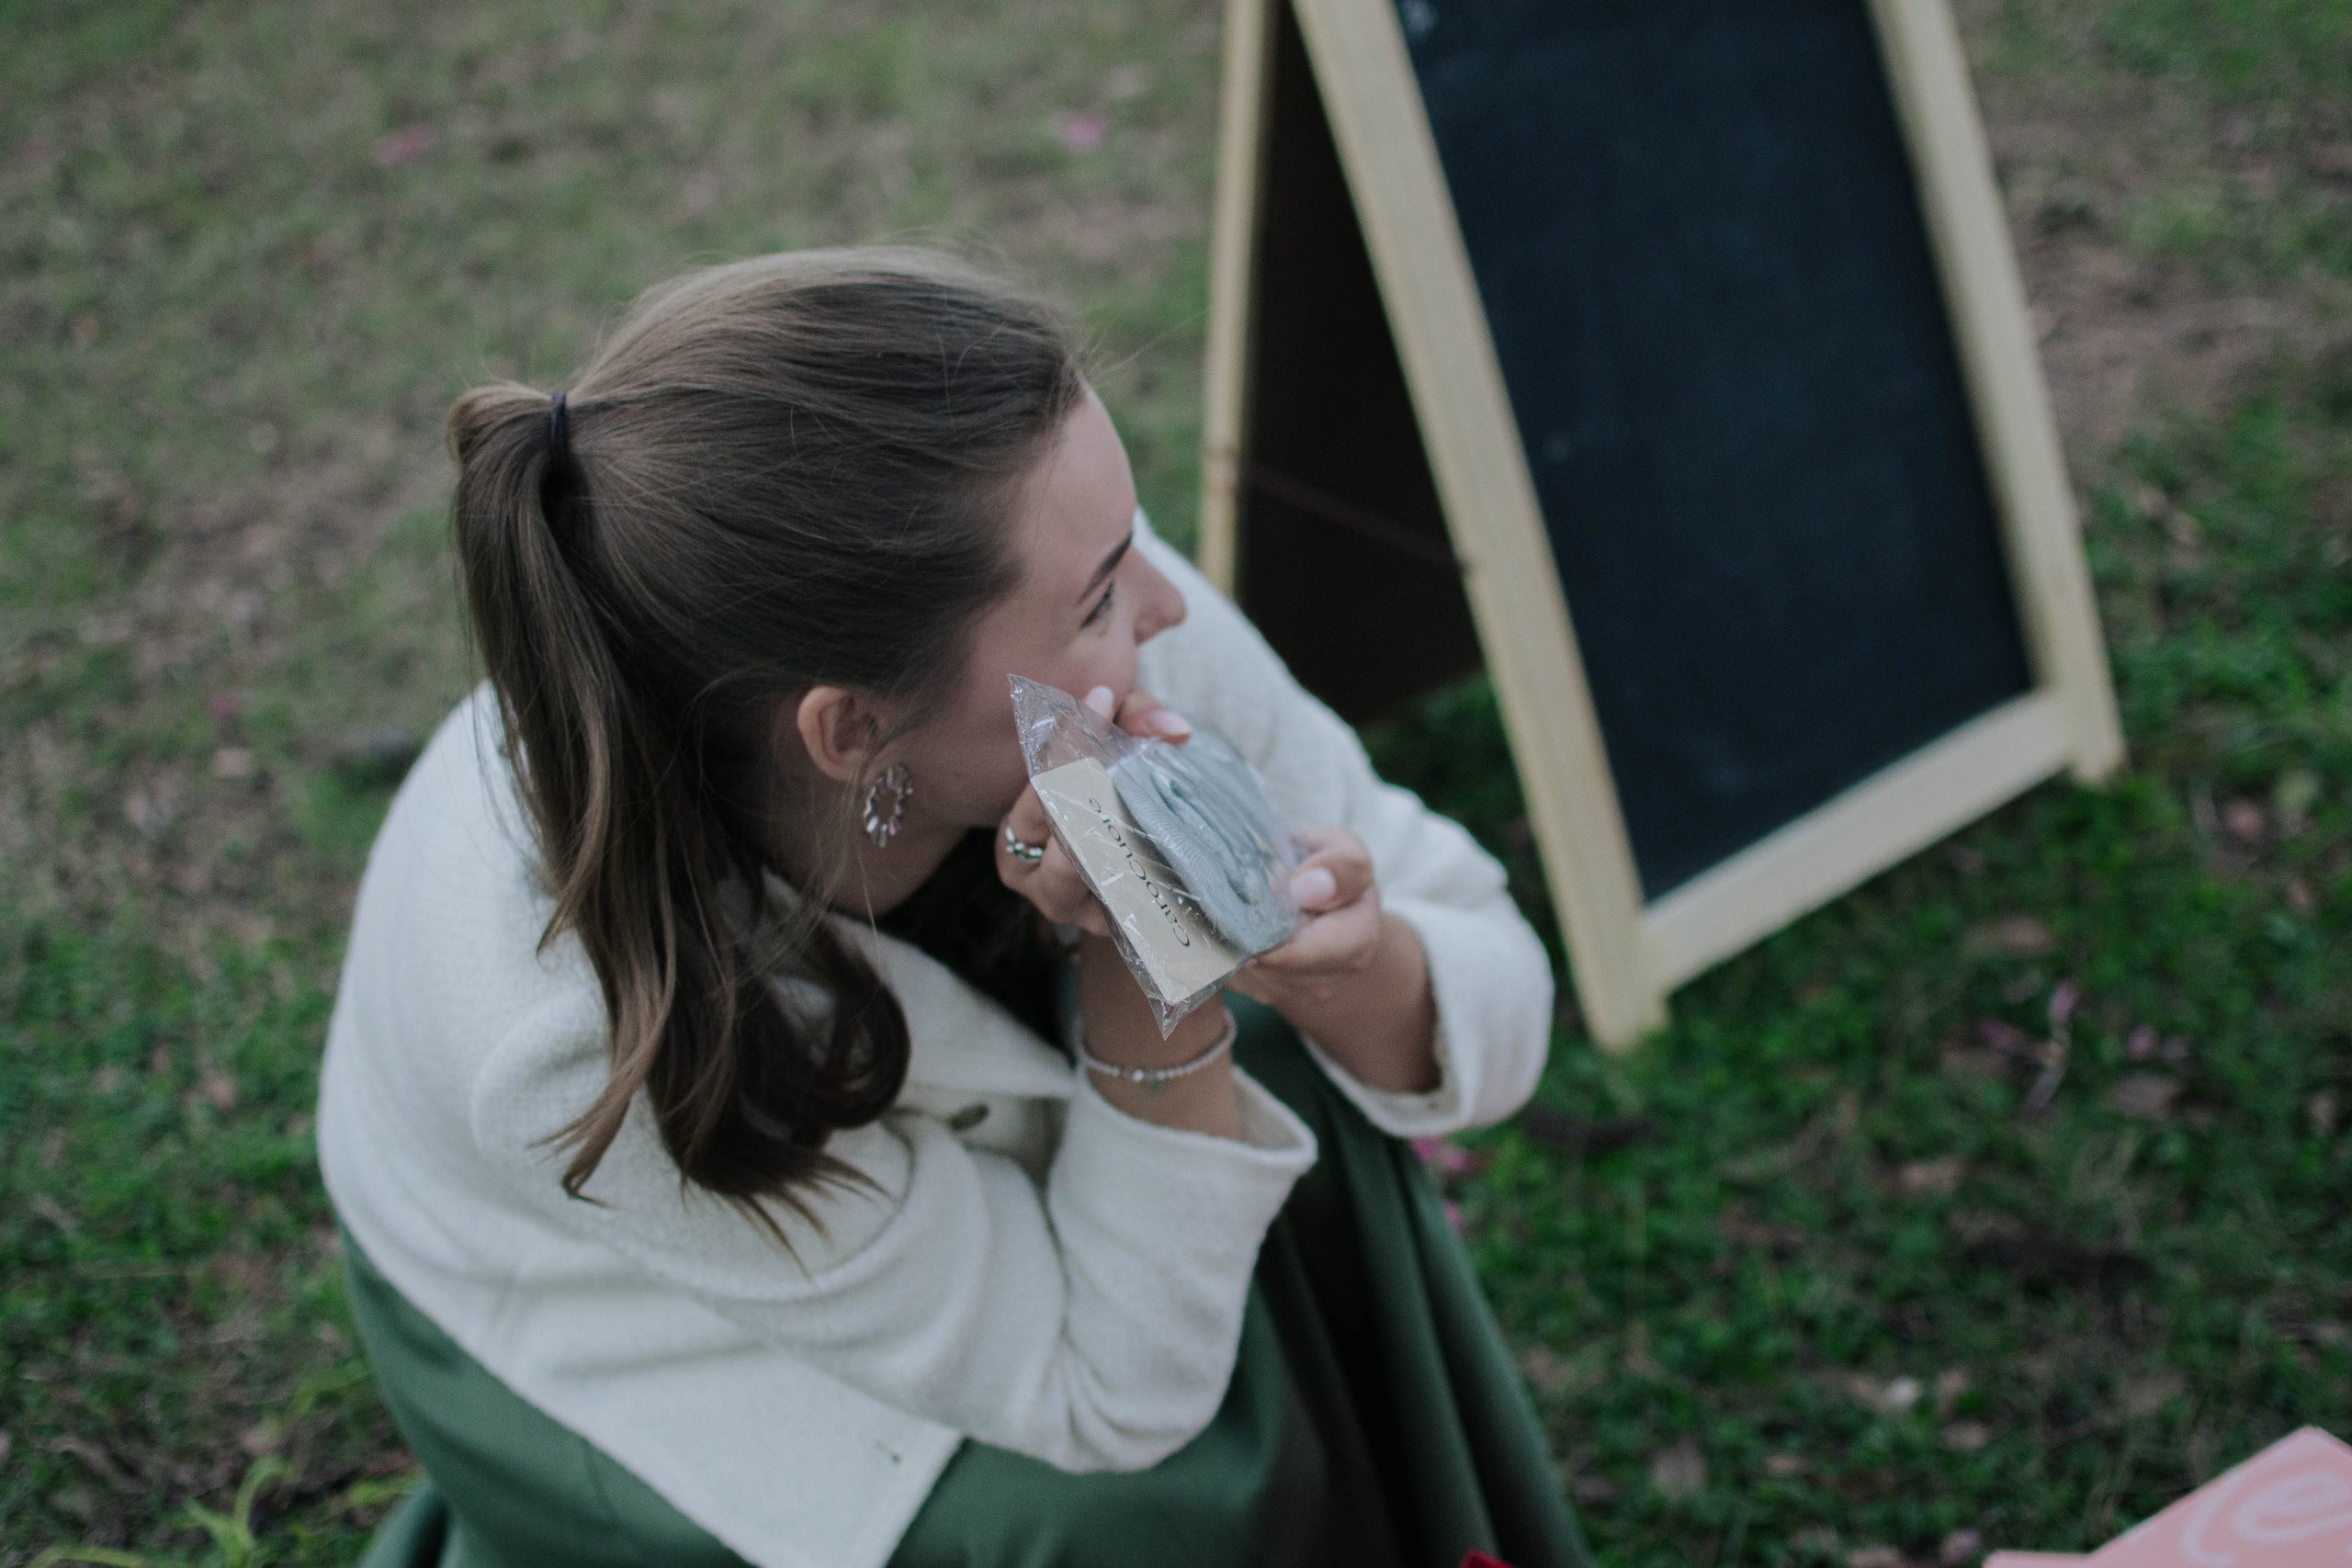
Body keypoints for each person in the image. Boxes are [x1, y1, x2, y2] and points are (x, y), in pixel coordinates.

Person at [318, 247, 1589, 1568]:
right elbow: (1115, 1397)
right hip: (610, 1314)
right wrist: (1136, 951)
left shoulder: (1089, 602)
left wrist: (1357, 970)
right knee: (1135, 1520)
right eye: (1103, 597)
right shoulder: (579, 1036)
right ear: (853, 730)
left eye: (1128, 546)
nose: (1163, 604)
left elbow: (1492, 973)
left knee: (1300, 1081)